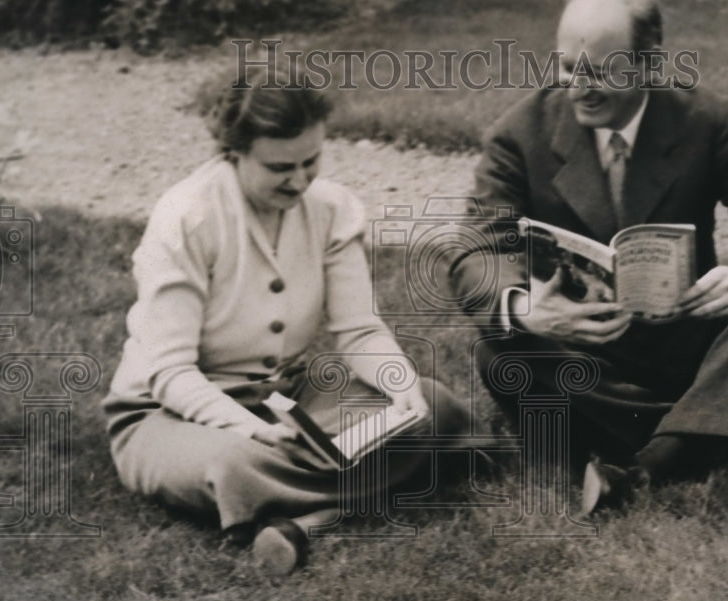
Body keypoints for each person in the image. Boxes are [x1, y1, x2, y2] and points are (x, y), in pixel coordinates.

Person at [448, 0, 728, 514]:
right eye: (568, 68)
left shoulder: (704, 120)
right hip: (583, 349)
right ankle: (725, 428)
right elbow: (475, 252)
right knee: (500, 345)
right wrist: (531, 310)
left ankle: (642, 463)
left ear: (648, 64)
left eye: (603, 72)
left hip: (688, 336)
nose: (581, 87)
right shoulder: (519, 134)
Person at [104, 80, 469, 574]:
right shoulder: (186, 218)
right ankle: (383, 482)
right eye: (279, 168)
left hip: (287, 402)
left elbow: (359, 331)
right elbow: (169, 374)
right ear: (234, 153)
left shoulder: (333, 208)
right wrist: (252, 430)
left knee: (430, 401)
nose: (299, 182)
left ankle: (308, 516)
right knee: (233, 468)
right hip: (169, 416)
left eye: (310, 161)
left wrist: (398, 381)